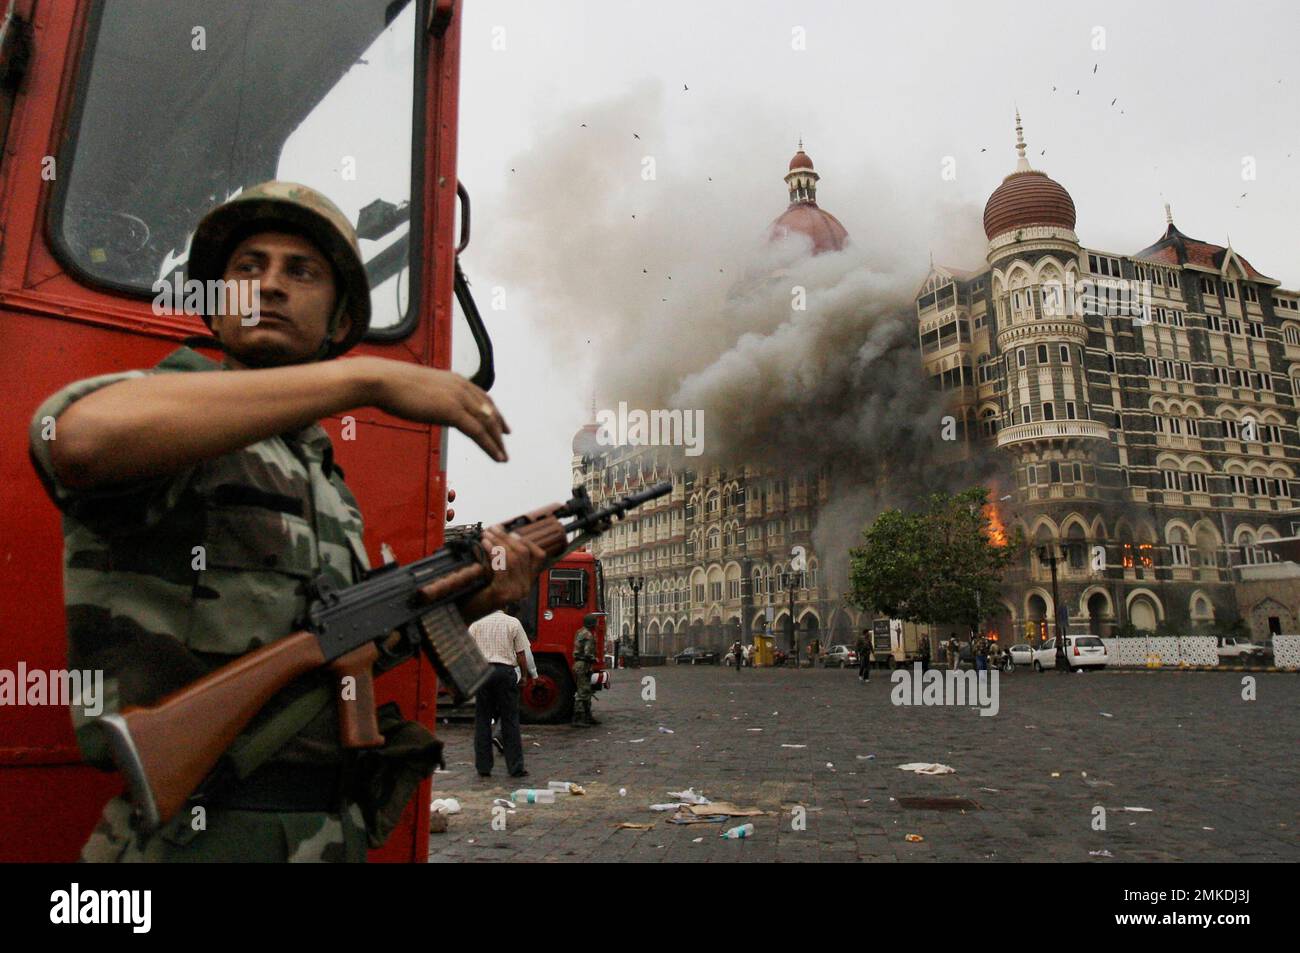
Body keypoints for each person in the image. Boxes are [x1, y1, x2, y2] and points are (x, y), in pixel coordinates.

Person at [29, 182, 546, 862]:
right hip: (203, 835)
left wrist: (475, 592)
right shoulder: (171, 415)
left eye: (300, 271)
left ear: (336, 321)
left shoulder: (324, 479)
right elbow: (75, 438)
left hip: (325, 832)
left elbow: (341, 647)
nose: (268, 286)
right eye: (248, 268)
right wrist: (366, 380)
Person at [469, 608, 533, 777]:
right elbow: (521, 654)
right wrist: (525, 676)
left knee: (482, 720)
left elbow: (468, 653)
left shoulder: (476, 624)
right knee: (510, 719)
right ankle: (515, 767)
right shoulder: (513, 623)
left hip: (483, 672)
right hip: (505, 672)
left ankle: (483, 767)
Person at [571, 613, 600, 726]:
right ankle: (578, 718)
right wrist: (595, 659)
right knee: (583, 692)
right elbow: (588, 653)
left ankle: (587, 717)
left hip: (579, 664)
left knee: (586, 690)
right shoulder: (588, 635)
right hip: (583, 665)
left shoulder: (580, 631)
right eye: (595, 622)